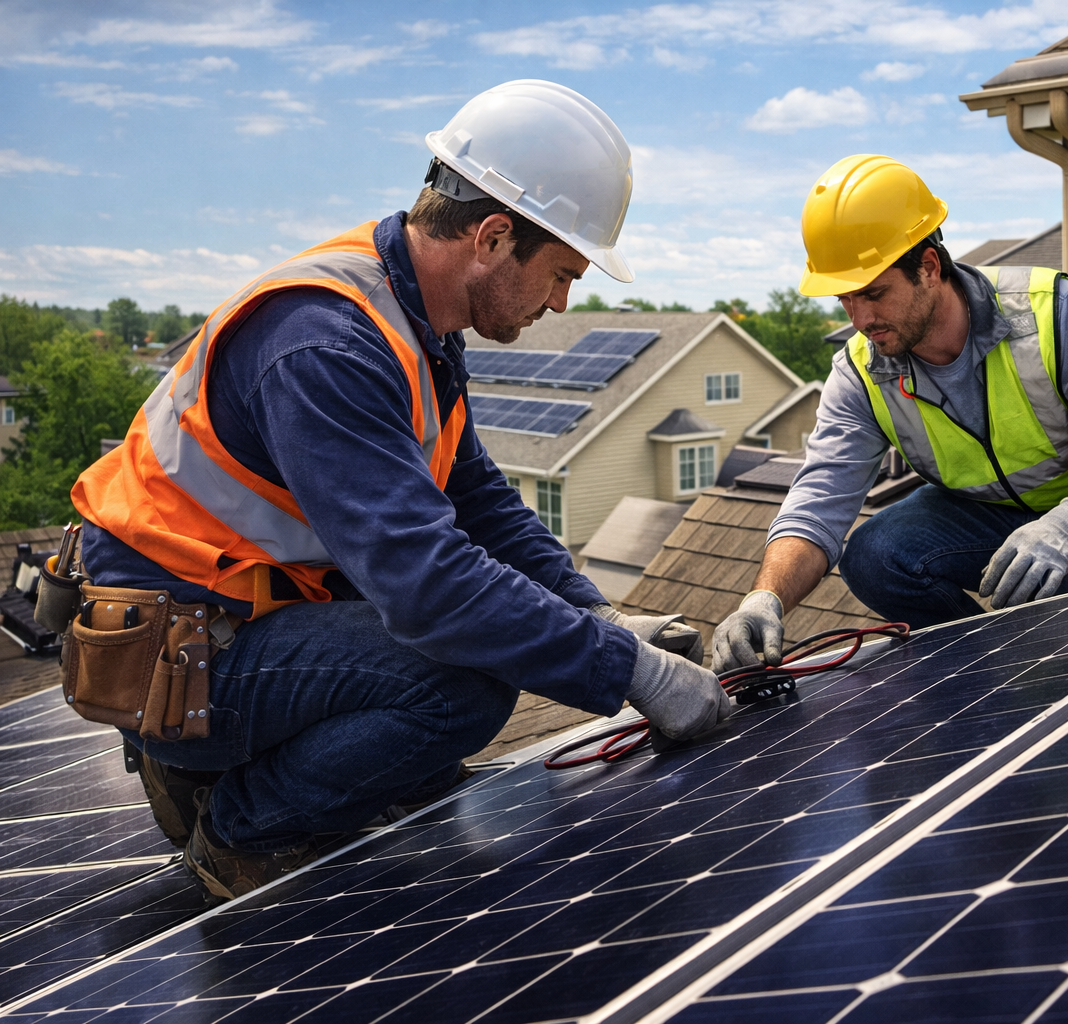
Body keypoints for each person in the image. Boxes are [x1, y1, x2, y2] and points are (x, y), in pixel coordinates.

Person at [70, 80, 730, 902]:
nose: (562, 301)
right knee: (460, 685)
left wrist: (594, 614)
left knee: (475, 651)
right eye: (562, 272)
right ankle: (239, 825)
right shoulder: (326, 344)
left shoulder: (414, 323)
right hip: (181, 657)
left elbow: (477, 501)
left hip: (240, 620)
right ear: (492, 237)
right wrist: (629, 671)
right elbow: (429, 589)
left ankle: (322, 769)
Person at [712, 155, 1068, 672]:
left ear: (930, 268)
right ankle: (987, 668)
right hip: (984, 517)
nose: (861, 319)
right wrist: (765, 599)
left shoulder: (1051, 312)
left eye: (874, 293)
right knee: (872, 556)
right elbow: (818, 503)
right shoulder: (862, 373)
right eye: (846, 299)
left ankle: (1058, 670)